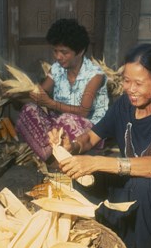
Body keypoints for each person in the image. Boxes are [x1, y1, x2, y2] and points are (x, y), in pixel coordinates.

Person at [49, 43, 151, 248]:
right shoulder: (124, 105)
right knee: (81, 177)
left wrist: (98, 162)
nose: (131, 89)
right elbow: (91, 137)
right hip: (130, 182)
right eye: (127, 81)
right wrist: (72, 147)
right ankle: (103, 237)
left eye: (138, 83)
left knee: (145, 185)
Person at [15, 19, 109, 161]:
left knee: (66, 119)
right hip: (59, 126)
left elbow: (83, 111)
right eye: (55, 51)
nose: (58, 56)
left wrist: (51, 104)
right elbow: (41, 94)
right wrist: (17, 94)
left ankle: (50, 156)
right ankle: (52, 156)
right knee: (30, 109)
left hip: (89, 133)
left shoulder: (95, 75)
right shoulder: (57, 69)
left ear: (80, 51)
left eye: (64, 52)